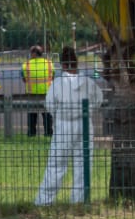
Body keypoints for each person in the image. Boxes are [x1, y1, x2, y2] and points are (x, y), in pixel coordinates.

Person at [35, 46, 104, 206]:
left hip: (63, 126)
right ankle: (79, 201)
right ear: (76, 62)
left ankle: (44, 200)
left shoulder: (58, 83)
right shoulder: (88, 82)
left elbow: (49, 104)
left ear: (62, 64)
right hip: (84, 125)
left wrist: (59, 115)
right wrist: (88, 110)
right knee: (83, 164)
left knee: (56, 164)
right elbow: (98, 100)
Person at [21, 45, 55, 137]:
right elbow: (53, 77)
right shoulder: (49, 64)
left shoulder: (26, 65)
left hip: (32, 94)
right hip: (46, 93)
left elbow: (24, 79)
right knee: (47, 115)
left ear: (33, 54)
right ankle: (48, 133)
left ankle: (31, 133)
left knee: (32, 115)